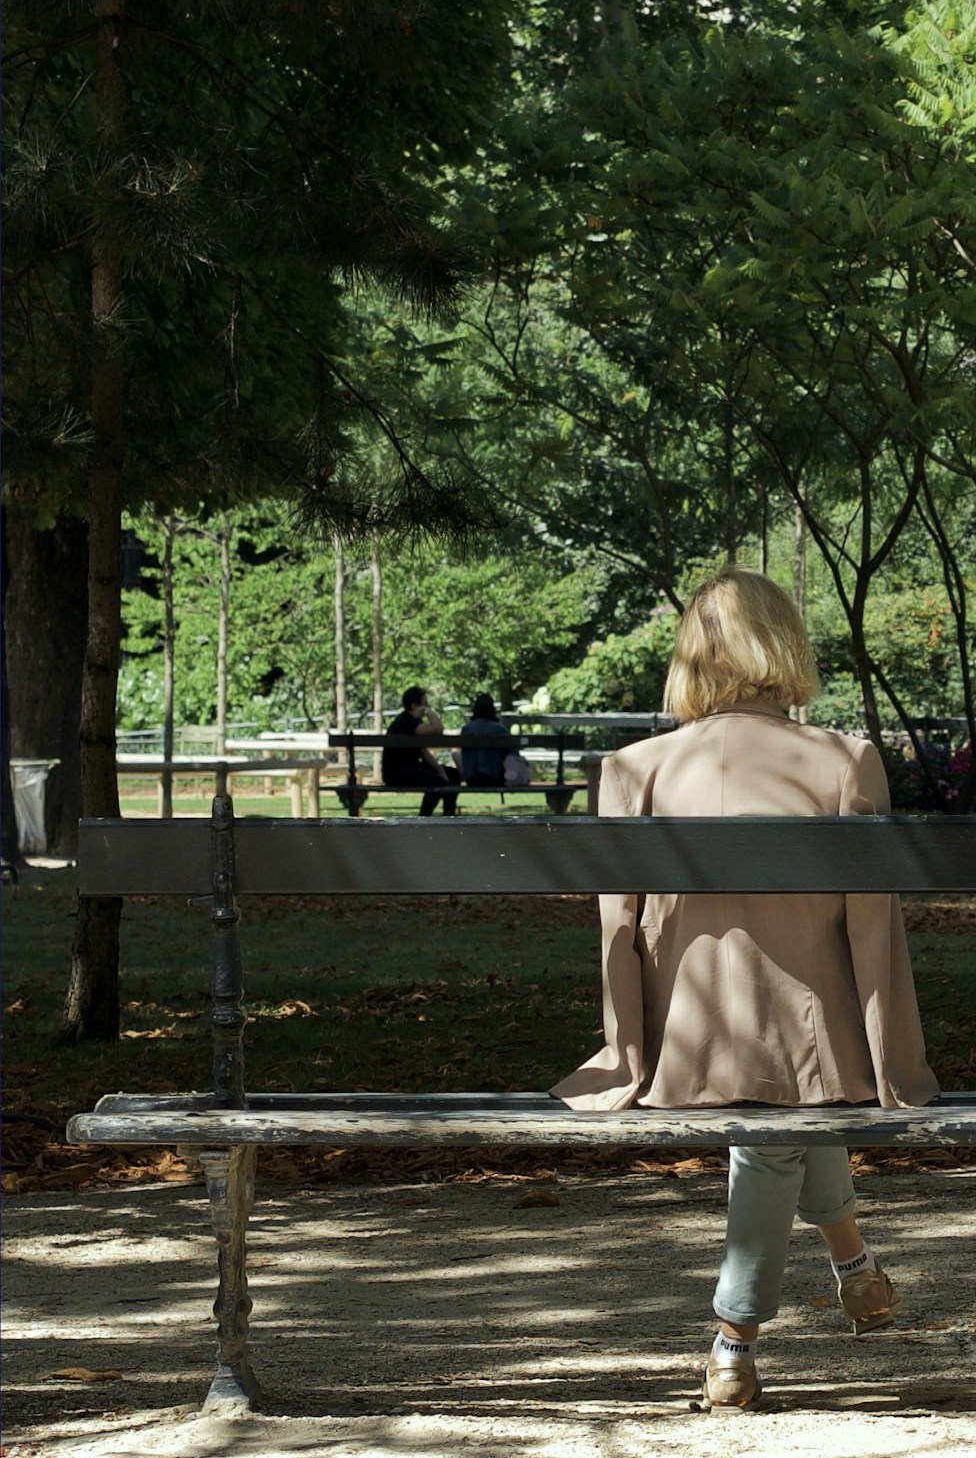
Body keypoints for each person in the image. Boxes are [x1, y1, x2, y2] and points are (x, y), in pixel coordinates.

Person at [554, 570, 936, 1412]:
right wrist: (893, 1064)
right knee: (788, 1104)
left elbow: (618, 930)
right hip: (814, 1042)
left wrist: (627, 1057)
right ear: (785, 645)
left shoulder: (632, 768)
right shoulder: (844, 760)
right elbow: (874, 932)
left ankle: (848, 1271)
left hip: (682, 1053)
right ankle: (737, 1337)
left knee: (778, 1113)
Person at [382, 685, 459, 816]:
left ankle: (449, 816)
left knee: (453, 775)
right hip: (396, 772)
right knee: (437, 782)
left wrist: (440, 770)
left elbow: (424, 752)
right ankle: (424, 817)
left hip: (411, 768)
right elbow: (438, 729)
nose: (428, 706)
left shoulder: (412, 722)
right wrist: (428, 712)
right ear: (414, 706)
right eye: (425, 703)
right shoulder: (407, 722)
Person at [455, 693, 517, 791]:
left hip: (472, 779)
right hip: (496, 778)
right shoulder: (500, 729)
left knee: (456, 754)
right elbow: (512, 752)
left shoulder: (467, 729)